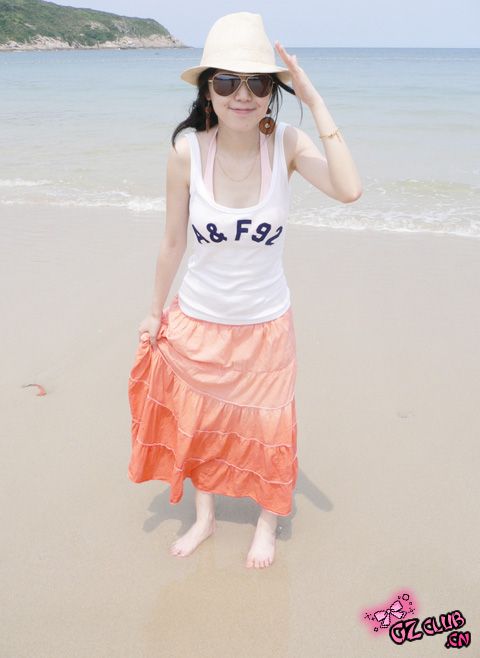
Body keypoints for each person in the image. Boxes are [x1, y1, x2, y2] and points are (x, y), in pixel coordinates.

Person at [127, 12, 362, 569]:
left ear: (272, 92)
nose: (243, 95)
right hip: (199, 319)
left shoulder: (286, 145)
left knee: (268, 426)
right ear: (208, 90)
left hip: (266, 324)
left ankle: (266, 522)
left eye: (257, 82)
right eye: (228, 81)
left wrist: (313, 99)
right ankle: (205, 518)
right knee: (202, 421)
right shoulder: (187, 152)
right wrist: (154, 311)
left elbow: (349, 189)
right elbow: (172, 242)